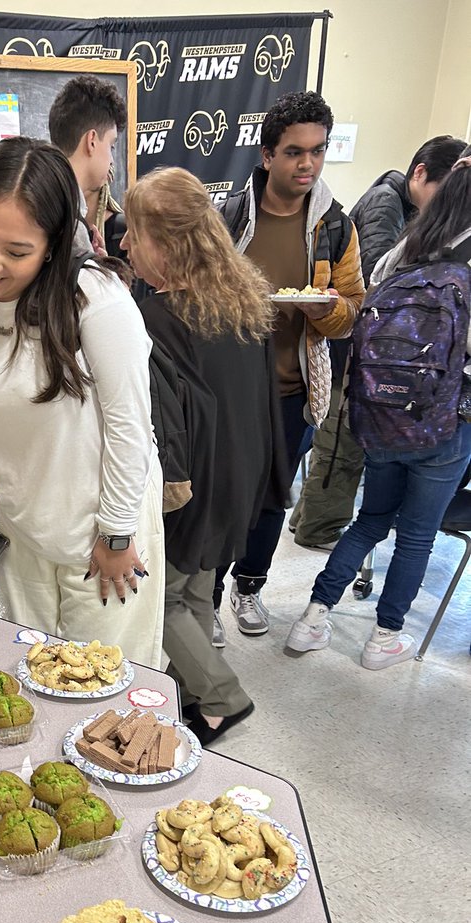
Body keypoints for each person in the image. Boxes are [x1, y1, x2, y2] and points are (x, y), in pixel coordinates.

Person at [0, 138, 164, 667]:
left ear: (52, 246)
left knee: (104, 684)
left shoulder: (96, 300)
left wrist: (117, 533)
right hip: (23, 530)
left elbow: (130, 428)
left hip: (106, 529)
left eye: (17, 251)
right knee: (26, 670)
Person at [286, 151, 471, 669]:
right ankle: (384, 637)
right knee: (416, 536)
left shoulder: (404, 250)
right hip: (443, 425)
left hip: (380, 414)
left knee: (369, 520)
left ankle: (312, 619)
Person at [122, 167, 288, 743]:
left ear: (166, 245)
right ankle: (192, 691)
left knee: (160, 597)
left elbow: (163, 420)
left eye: (134, 234)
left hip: (189, 481)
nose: (125, 244)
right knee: (195, 585)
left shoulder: (157, 318)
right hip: (239, 470)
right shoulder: (242, 302)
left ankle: (222, 697)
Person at [216, 91, 364, 640]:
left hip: (293, 390)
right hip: (227, 390)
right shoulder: (227, 218)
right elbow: (193, 294)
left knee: (272, 498)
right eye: (295, 152)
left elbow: (352, 310)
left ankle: (249, 586)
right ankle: (205, 598)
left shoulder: (335, 228)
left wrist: (325, 311)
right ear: (267, 155)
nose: (308, 164)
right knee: (221, 497)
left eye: (317, 151)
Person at [48, 75, 127, 256]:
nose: (111, 160)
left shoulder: (41, 202)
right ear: (91, 141)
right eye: (111, 146)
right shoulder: (69, 223)